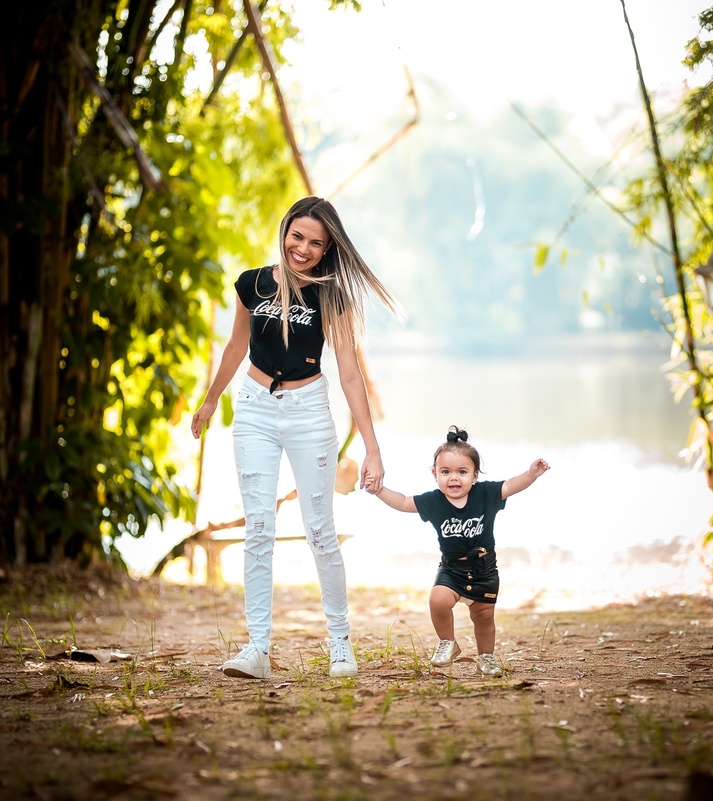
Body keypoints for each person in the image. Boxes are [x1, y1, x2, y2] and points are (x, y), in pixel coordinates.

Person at [189, 196, 400, 680]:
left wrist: (371, 447)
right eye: (297, 236)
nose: (302, 248)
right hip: (255, 409)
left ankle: (340, 644)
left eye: (315, 243)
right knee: (258, 530)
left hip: (309, 414)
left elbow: (349, 375)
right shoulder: (252, 284)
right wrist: (209, 400)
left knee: (320, 532)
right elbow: (237, 346)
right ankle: (257, 650)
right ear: (285, 231)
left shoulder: (331, 298)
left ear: (327, 251)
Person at [365, 426, 550, 677]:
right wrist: (379, 490)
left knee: (483, 617)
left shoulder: (485, 494)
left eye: (462, 472)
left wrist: (531, 474)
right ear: (435, 474)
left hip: (484, 568)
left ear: (474, 475)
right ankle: (447, 643)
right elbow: (403, 502)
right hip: (452, 568)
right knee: (438, 600)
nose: (454, 478)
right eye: (446, 472)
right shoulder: (433, 501)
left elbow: (511, 486)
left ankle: (486, 657)